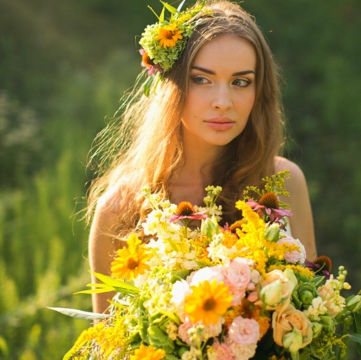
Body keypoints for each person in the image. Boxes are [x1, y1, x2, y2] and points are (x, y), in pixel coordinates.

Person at [87, 0, 316, 314]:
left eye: (240, 82)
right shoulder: (119, 209)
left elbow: (310, 310)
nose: (222, 102)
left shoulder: (285, 184)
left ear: (258, 92)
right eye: (202, 79)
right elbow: (107, 343)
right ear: (173, 85)